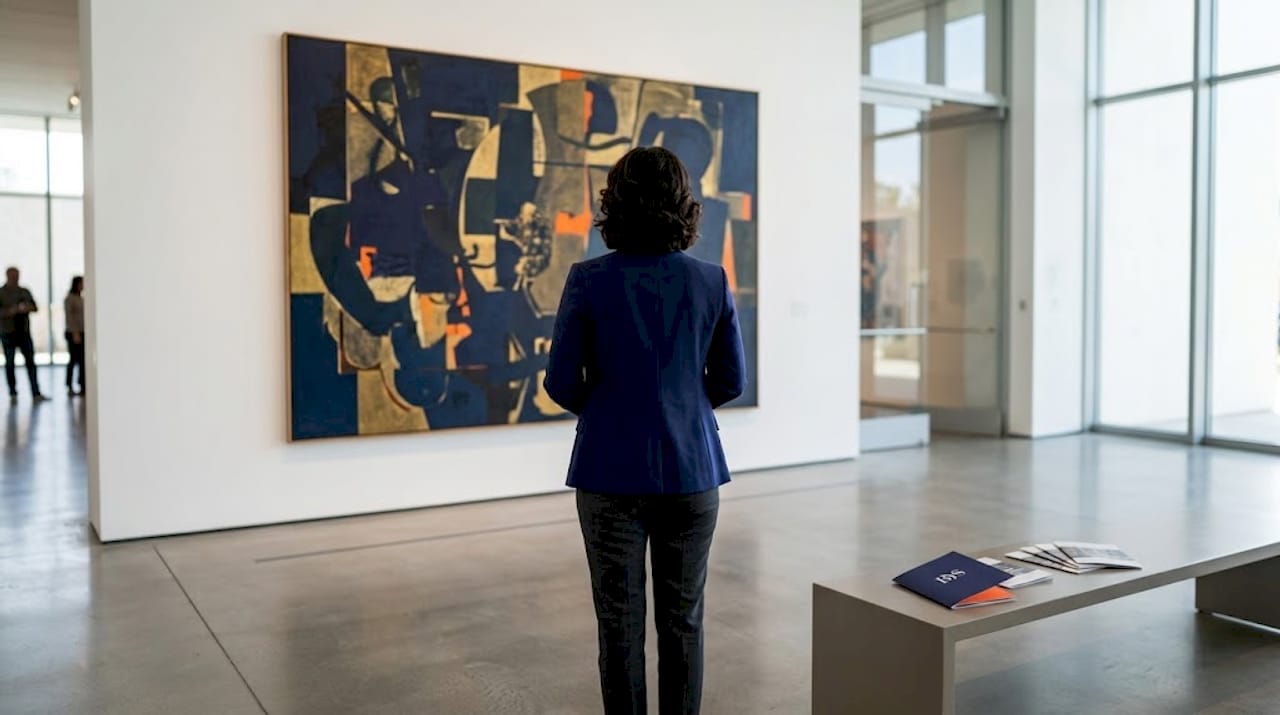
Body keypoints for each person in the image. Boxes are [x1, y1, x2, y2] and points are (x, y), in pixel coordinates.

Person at [544, 146, 746, 715]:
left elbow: (560, 382)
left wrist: (611, 411)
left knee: (619, 627)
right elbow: (731, 380)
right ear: (684, 204)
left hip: (608, 474)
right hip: (691, 471)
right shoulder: (710, 280)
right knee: (684, 623)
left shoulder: (588, 280)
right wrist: (682, 405)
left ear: (615, 202)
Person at [0, 267, 47, 404]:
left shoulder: (24, 291)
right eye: (13, 276)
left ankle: (35, 392)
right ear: (7, 276)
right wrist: (11, 311)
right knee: (10, 364)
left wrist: (26, 308)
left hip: (24, 333)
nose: (15, 278)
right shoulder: (1, 293)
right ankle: (13, 392)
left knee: (31, 363)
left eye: (17, 276)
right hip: (8, 333)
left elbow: (35, 307)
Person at [64, 276, 85, 397]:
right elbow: (69, 317)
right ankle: (69, 385)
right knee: (73, 360)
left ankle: (82, 385)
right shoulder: (70, 299)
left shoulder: (81, 298)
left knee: (82, 361)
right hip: (74, 333)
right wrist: (75, 333)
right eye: (81, 283)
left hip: (82, 332)